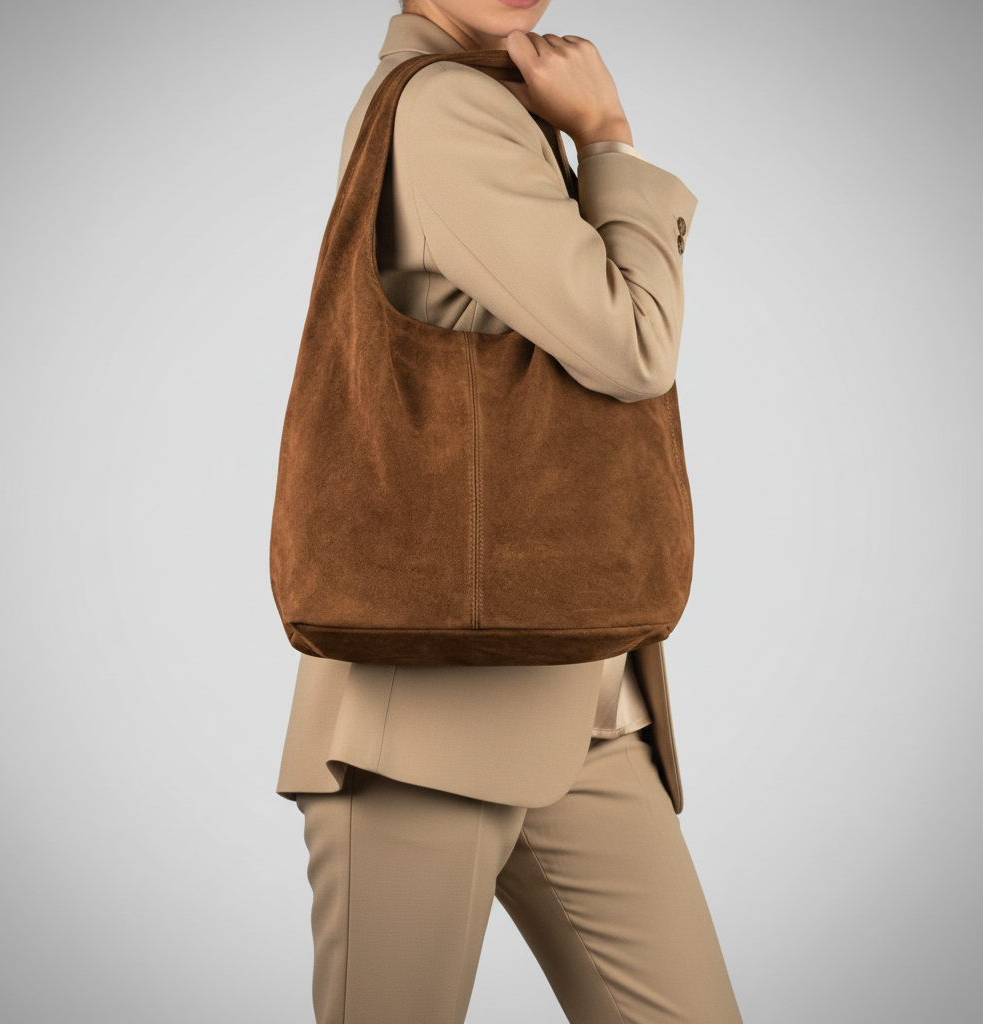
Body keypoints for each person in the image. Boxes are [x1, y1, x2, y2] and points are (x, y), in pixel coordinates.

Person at [275, 2, 744, 1021]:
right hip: (422, 728)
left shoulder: (490, 101)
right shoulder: (446, 107)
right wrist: (608, 138)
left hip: (582, 702)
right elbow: (631, 345)